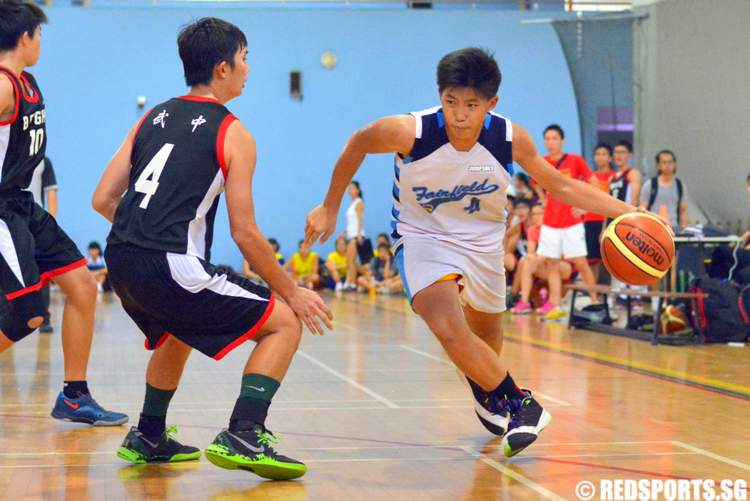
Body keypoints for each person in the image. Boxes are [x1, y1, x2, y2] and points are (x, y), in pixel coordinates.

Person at [305, 48, 637, 457]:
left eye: (472, 105)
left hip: (483, 244)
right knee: (447, 326)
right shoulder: (410, 131)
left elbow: (563, 187)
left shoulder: (510, 138)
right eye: (451, 102)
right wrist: (330, 206)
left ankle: (490, 397)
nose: (459, 115)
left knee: (484, 348)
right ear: (439, 94)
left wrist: (630, 212)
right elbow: (357, 143)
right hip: (421, 235)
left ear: (491, 103)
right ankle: (521, 404)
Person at [92, 18, 331, 478]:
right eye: (244, 60)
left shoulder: (151, 116)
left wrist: (143, 237)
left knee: (179, 329)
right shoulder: (233, 131)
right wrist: (292, 291)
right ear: (222, 68)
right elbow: (245, 232)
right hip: (172, 263)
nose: (248, 69)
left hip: (119, 258)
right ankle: (245, 431)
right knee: (283, 324)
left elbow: (102, 199)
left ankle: (148, 434)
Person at [0, 0, 127, 425]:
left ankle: (74, 395)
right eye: (39, 34)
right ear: (25, 36)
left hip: (23, 205)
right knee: (27, 314)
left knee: (83, 287)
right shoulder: (3, 86)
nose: (41, 42)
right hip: (1, 209)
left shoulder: (28, 83)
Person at [533, 124, 599, 320]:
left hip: (571, 222)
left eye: (554, 138)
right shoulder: (541, 162)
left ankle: (595, 301)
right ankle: (555, 304)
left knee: (580, 262)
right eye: (547, 139)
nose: (550, 142)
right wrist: (544, 200)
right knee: (551, 264)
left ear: (562, 141)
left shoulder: (574, 160)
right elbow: (535, 183)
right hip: (550, 223)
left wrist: (585, 206)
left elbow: (593, 181)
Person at [24, 155, 57, 332]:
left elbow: (51, 192)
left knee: (42, 271)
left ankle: (45, 319)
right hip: (6, 221)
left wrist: (50, 224)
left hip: (35, 221)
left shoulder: (43, 161)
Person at [583, 143, 616, 281]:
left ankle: (612, 295)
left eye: (604, 154)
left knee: (611, 259)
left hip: (608, 221)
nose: (600, 157)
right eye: (598, 154)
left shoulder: (615, 177)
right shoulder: (590, 177)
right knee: (592, 260)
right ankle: (593, 295)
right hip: (590, 220)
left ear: (610, 158)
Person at [640, 149, 688, 231]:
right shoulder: (650, 185)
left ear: (674, 164)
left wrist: (684, 230)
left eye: (670, 162)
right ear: (658, 165)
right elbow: (642, 209)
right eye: (664, 162)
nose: (667, 165)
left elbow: (683, 210)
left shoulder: (680, 185)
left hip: (674, 229)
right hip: (654, 229)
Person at [342, 180, 372, 290]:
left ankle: (351, 283)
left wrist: (359, 235)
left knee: (351, 261)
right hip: (351, 235)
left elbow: (360, 220)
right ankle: (350, 282)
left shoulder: (359, 202)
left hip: (356, 236)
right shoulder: (352, 204)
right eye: (348, 188)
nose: (349, 190)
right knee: (349, 260)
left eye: (352, 188)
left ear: (358, 190)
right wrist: (344, 232)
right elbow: (351, 222)